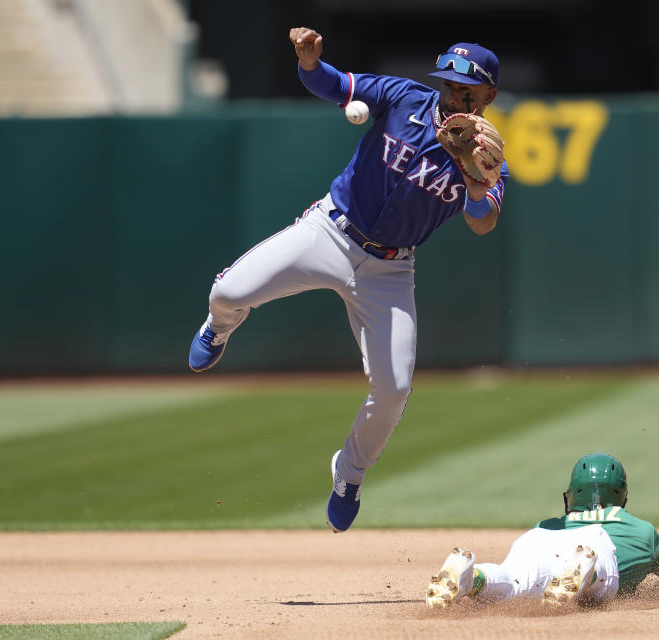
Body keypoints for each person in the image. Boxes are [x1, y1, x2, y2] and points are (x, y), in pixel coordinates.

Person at [187, 28, 508, 533]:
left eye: (465, 92)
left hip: (390, 270)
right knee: (227, 292)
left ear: (488, 96)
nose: (452, 97)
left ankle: (349, 473)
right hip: (330, 230)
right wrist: (311, 63)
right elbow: (336, 87)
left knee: (396, 388)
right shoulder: (405, 97)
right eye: (447, 86)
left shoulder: (490, 158)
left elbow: (482, 220)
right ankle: (219, 327)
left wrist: (472, 175)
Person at [426, 453, 659, 608]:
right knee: (603, 578)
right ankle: (587, 572)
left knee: (512, 582)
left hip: (540, 539)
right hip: (592, 547)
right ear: (622, 496)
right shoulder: (642, 531)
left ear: (572, 495)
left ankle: (474, 576)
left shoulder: (547, 523)